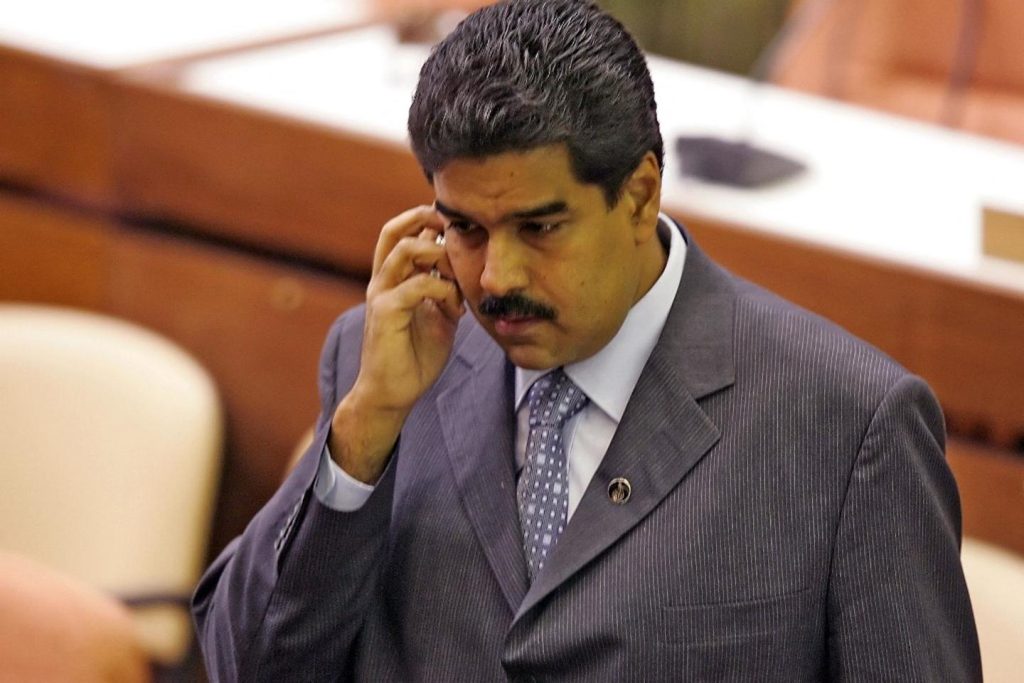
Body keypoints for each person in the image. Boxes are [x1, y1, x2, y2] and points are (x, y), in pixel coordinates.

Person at [192, 1, 982, 680]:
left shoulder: (849, 425)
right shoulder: (385, 365)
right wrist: (363, 430)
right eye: (466, 228)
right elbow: (246, 664)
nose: (496, 276)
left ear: (639, 195)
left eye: (540, 228)